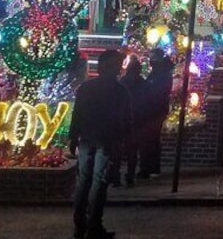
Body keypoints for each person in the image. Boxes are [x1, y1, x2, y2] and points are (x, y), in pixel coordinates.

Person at [69, 49, 132, 239]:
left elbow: (77, 114)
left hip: (88, 138)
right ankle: (94, 225)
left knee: (84, 182)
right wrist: (126, 141)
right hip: (107, 140)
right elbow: (126, 119)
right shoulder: (120, 91)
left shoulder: (86, 88)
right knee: (99, 183)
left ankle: (80, 225)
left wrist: (73, 137)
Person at [113, 55, 149, 188]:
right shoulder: (143, 83)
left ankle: (115, 176)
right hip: (138, 120)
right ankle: (130, 176)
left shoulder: (122, 83)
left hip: (122, 120)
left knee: (117, 150)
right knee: (132, 151)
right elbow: (147, 102)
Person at [137, 47, 173, 179]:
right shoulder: (160, 72)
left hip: (154, 111)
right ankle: (153, 167)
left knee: (149, 140)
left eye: (153, 58)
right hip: (155, 110)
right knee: (153, 140)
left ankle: (148, 168)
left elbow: (156, 92)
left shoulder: (161, 74)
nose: (150, 61)